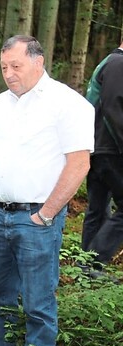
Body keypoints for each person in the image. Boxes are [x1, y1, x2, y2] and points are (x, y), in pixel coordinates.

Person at [0, 35, 93, 346]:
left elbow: (79, 163)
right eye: (3, 67)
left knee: (38, 302)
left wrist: (46, 213)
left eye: (16, 66)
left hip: (37, 220)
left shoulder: (68, 104)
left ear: (38, 62)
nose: (9, 74)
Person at [80, 39, 123, 269]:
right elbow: (113, 108)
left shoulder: (108, 62)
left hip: (96, 148)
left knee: (97, 209)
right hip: (110, 149)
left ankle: (85, 268)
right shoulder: (118, 63)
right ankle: (95, 264)